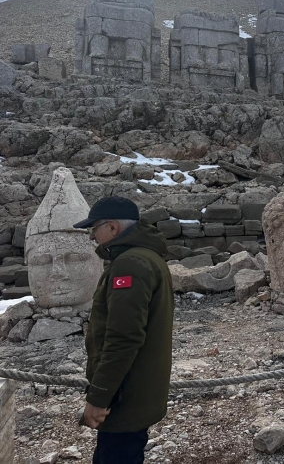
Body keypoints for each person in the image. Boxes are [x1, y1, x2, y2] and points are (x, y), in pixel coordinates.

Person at [73, 196, 173, 464]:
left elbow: (124, 338)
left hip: (124, 394)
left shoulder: (130, 264)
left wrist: (99, 397)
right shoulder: (147, 257)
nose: (93, 237)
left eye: (94, 229)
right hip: (136, 387)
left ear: (113, 227)